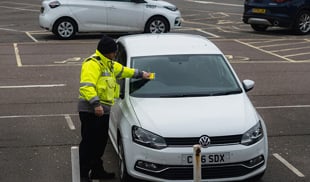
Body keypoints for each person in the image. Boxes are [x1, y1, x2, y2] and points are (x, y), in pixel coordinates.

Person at [78, 36, 151, 182]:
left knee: (99, 143)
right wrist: (96, 104)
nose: (115, 54)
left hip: (103, 110)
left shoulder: (109, 64)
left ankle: (97, 171)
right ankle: (84, 175)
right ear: (107, 52)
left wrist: (142, 74)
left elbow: (124, 71)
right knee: (88, 143)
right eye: (114, 52)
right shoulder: (92, 64)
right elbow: (87, 86)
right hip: (91, 110)